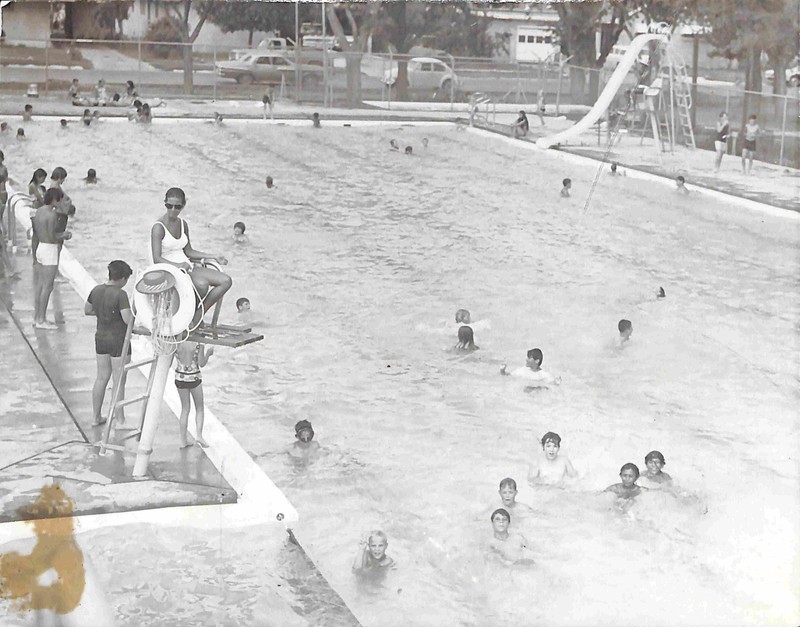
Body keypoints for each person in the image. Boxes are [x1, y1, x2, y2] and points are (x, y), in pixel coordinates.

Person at [150, 187, 231, 326]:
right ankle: (189, 317)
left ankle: (198, 314)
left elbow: (189, 251)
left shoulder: (183, 224)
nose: (173, 210)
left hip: (187, 265)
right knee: (202, 284)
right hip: (170, 268)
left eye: (177, 207)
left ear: (183, 205)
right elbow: (156, 259)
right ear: (165, 203)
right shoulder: (158, 227)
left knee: (226, 281)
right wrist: (178, 266)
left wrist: (213, 256)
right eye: (169, 206)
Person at [85, 260, 133, 427]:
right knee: (119, 381)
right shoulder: (121, 294)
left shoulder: (96, 290)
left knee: (101, 378)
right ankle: (120, 420)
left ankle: (96, 417)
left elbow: (87, 310)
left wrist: (103, 313)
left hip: (101, 337)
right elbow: (127, 319)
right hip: (118, 339)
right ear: (122, 278)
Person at [31, 188, 72, 329]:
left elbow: (38, 233)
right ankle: (42, 319)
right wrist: (65, 235)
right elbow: (53, 237)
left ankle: (37, 317)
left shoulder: (39, 211)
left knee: (40, 285)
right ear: (55, 200)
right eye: (60, 199)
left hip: (40, 248)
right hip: (49, 250)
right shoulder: (52, 215)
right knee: (48, 287)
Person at [174, 340, 213, 448]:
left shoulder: (176, 341)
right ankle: (199, 435)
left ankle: (183, 440)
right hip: (194, 377)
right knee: (199, 408)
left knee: (185, 409)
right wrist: (208, 354)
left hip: (180, 377)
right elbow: (201, 363)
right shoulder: (198, 343)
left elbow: (168, 363)